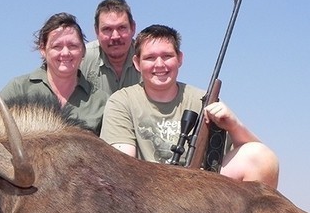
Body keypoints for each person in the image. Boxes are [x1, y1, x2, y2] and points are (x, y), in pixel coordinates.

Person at [100, 24, 279, 188]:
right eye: (150, 58)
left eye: (167, 56)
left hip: (198, 191)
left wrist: (234, 125)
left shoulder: (204, 100)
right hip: (147, 193)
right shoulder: (121, 102)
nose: (160, 64)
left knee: (263, 158)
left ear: (180, 59)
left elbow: (260, 158)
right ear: (137, 63)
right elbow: (122, 166)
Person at [1, 12, 109, 135]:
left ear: (83, 50)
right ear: (43, 49)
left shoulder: (101, 101)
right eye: (57, 46)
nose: (65, 53)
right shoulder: (18, 89)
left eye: (73, 46)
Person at [80, 0, 141, 95]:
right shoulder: (82, 58)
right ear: (96, 31)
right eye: (107, 29)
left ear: (133, 28)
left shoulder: (147, 58)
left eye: (122, 28)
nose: (115, 36)